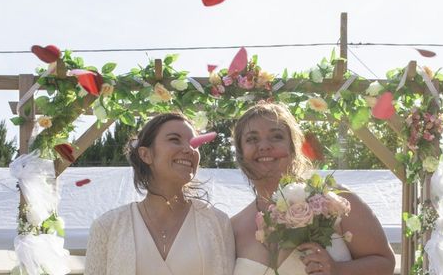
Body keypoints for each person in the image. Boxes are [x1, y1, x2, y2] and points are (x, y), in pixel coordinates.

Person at [231, 102, 396, 275]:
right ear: (241, 153)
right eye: (252, 139)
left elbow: (385, 264)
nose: (264, 146)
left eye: (276, 136)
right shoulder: (233, 228)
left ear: (293, 147)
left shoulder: (335, 202)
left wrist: (338, 270)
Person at [84, 112, 235, 275]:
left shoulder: (218, 223)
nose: (190, 149)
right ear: (145, 154)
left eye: (194, 144)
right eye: (174, 139)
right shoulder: (107, 227)